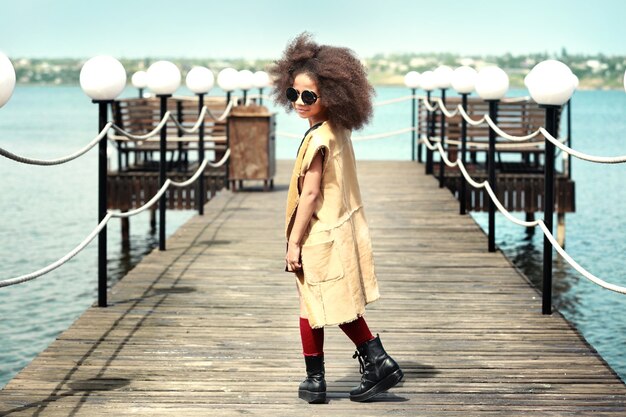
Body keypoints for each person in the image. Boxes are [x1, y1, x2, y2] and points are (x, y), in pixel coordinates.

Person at [270, 33, 403, 404]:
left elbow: (310, 194)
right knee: (334, 302)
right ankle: (374, 363)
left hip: (320, 235)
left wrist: (294, 243)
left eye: (308, 96)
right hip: (341, 228)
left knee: (312, 305)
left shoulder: (318, 140)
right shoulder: (337, 129)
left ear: (332, 95)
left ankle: (323, 378)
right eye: (292, 94)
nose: (299, 102)